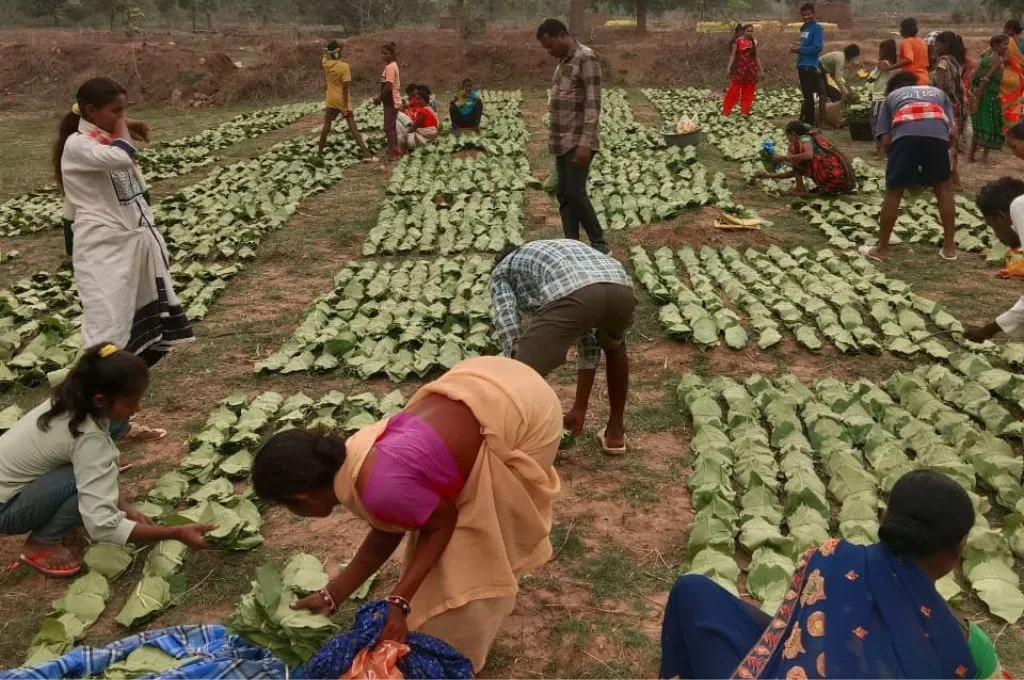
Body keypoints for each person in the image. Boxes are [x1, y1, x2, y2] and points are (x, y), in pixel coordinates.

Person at [251, 355, 562, 673]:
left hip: (528, 414)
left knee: (470, 553)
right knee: (440, 553)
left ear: (301, 497)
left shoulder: (381, 487)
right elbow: (388, 527)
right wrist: (334, 594)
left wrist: (399, 603)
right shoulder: (356, 457)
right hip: (496, 379)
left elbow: (442, 523)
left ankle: (468, 644)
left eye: (289, 507)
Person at [660, 469, 1002, 679]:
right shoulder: (967, 643)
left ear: (883, 519)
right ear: (956, 551)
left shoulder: (830, 558)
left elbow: (790, 632)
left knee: (694, 592)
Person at [56, 77, 194, 440]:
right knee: (106, 340)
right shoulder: (77, 145)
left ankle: (115, 422)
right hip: (104, 253)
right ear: (90, 112)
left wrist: (122, 124)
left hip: (129, 248)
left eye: (123, 110)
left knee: (143, 338)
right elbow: (121, 158)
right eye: (115, 110)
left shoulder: (97, 138)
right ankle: (82, 422)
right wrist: (122, 129)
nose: (122, 116)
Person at [0, 344, 214, 578]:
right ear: (100, 399)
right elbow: (102, 526)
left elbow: (101, 467)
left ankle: (59, 521)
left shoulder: (73, 397)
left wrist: (125, 507)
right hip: (5, 511)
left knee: (117, 426)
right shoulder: (88, 438)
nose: (138, 408)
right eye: (130, 402)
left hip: (13, 489)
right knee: (78, 479)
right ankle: (42, 542)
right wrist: (174, 533)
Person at [489, 239, 635, 454]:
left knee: (521, 373)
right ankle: (615, 434)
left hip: (576, 293)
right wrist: (580, 407)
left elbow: (507, 321)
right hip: (621, 289)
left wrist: (517, 362)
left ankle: (515, 443)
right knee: (615, 347)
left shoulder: (501, 271)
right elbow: (587, 337)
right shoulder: (553, 250)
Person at [861, 72, 958, 262]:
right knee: (943, 188)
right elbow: (952, 131)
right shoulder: (937, 93)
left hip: (905, 137)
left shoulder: (891, 98)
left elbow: (886, 140)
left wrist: (896, 167)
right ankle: (949, 248)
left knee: (894, 191)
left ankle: (883, 249)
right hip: (937, 136)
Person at [537, 18, 608, 254]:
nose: (548, 52)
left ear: (561, 35)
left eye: (549, 46)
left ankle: (599, 244)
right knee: (564, 194)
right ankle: (573, 246)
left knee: (575, 193)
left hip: (578, 141)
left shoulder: (586, 57)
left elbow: (593, 103)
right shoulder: (562, 63)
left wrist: (585, 143)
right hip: (561, 141)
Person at [967, 177, 1024, 342]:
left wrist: (989, 330)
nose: (997, 237)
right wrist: (989, 330)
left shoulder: (1019, 208)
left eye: (992, 227)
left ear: (1000, 217)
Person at [756, 121, 856, 195]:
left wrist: (785, 158)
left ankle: (800, 189)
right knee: (795, 158)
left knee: (795, 153)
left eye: (788, 136)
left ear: (793, 134)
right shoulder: (809, 138)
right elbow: (797, 171)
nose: (788, 139)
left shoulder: (804, 139)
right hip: (838, 179)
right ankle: (802, 188)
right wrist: (769, 176)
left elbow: (808, 155)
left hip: (833, 174)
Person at [317, 40, 371, 160]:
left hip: (330, 99)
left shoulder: (325, 63)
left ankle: (319, 153)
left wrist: (330, 52)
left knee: (326, 126)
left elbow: (326, 55)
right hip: (342, 99)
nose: (341, 53)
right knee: (352, 127)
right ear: (336, 53)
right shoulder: (344, 67)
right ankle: (366, 154)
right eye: (340, 51)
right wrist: (345, 106)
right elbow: (345, 88)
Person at [931, 31, 968, 186]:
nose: (934, 47)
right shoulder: (954, 61)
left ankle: (948, 178)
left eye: (937, 44)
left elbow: (939, 89)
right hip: (956, 106)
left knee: (945, 144)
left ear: (945, 45)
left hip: (945, 107)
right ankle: (955, 178)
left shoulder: (942, 64)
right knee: (952, 142)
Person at [971, 35, 1011, 163]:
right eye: (1004, 44)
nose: (1007, 47)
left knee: (979, 125)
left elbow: (975, 76)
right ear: (995, 45)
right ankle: (984, 157)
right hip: (989, 97)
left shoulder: (987, 57)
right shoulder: (996, 60)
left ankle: (971, 155)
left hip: (983, 95)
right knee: (989, 125)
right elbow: (986, 79)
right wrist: (977, 99)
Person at [793, 2, 825, 125]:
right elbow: (804, 45)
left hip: (810, 66)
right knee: (806, 95)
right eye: (804, 15)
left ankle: (808, 122)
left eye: (808, 14)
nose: (806, 17)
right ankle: (805, 120)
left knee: (809, 96)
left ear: (813, 14)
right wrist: (798, 48)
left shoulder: (817, 28)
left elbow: (817, 48)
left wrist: (800, 50)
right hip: (801, 65)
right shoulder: (803, 28)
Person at [867, 40, 898, 156]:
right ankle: (885, 149)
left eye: (881, 49)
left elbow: (870, 78)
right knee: (886, 124)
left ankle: (880, 150)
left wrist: (873, 65)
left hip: (879, 99)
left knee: (876, 124)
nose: (879, 52)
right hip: (888, 98)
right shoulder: (894, 64)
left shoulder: (883, 64)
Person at [723, 24, 761, 117]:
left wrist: (761, 70)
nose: (750, 33)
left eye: (751, 31)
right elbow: (732, 55)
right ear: (744, 32)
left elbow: (756, 57)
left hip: (751, 70)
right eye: (748, 31)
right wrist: (729, 68)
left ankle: (745, 111)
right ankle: (726, 111)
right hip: (739, 69)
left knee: (748, 92)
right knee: (733, 91)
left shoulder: (754, 42)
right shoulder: (738, 41)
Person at [372, 43, 401, 160]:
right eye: (382, 53)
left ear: (392, 54)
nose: (383, 56)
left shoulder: (391, 67)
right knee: (391, 127)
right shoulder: (390, 66)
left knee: (388, 127)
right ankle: (394, 148)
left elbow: (388, 85)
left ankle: (392, 151)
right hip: (390, 101)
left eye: (386, 53)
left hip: (391, 101)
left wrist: (380, 98)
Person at [880, 17, 929, 86]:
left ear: (906, 30)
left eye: (901, 29)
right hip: (924, 78)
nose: (900, 31)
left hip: (911, 79)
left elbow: (908, 59)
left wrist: (890, 67)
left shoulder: (907, 42)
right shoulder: (922, 41)